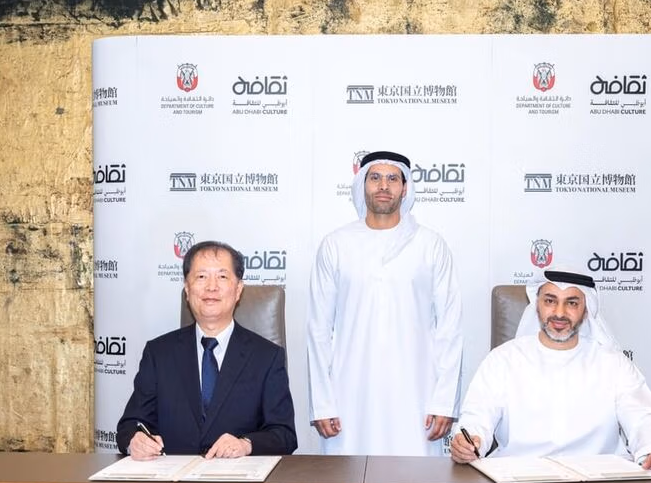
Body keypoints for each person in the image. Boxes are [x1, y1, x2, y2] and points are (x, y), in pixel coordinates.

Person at [451, 267, 651, 483]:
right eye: (550, 301)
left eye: (571, 303)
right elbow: (477, 417)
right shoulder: (502, 360)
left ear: (585, 310)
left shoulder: (613, 363)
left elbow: (643, 416)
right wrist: (469, 441)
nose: (559, 313)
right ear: (537, 305)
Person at [307, 150, 463, 455]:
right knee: (347, 481)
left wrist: (444, 402)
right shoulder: (336, 245)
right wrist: (322, 403)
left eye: (393, 179)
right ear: (362, 185)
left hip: (416, 393)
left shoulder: (430, 245)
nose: (383, 186)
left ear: (405, 188)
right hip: (349, 394)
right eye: (375, 178)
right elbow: (319, 330)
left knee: (415, 480)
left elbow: (450, 328)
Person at [117, 240, 297, 460]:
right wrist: (134, 441)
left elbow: (284, 435)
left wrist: (245, 444)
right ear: (187, 288)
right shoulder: (159, 354)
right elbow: (129, 425)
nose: (211, 287)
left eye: (222, 277)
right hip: (173, 479)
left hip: (237, 478)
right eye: (201, 276)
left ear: (238, 289)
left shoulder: (266, 357)